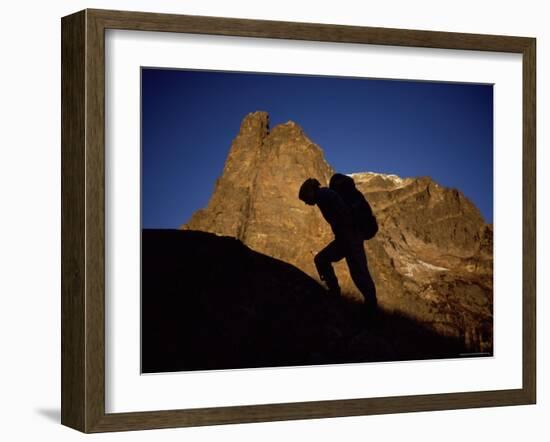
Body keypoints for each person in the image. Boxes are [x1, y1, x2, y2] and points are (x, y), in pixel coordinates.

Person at [298, 178, 378, 313]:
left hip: (349, 238)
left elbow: (343, 214)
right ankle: (367, 303)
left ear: (310, 191)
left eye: (305, 198)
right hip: (349, 238)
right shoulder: (325, 195)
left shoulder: (324, 196)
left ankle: (368, 305)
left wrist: (347, 236)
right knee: (358, 271)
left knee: (357, 272)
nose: (306, 202)